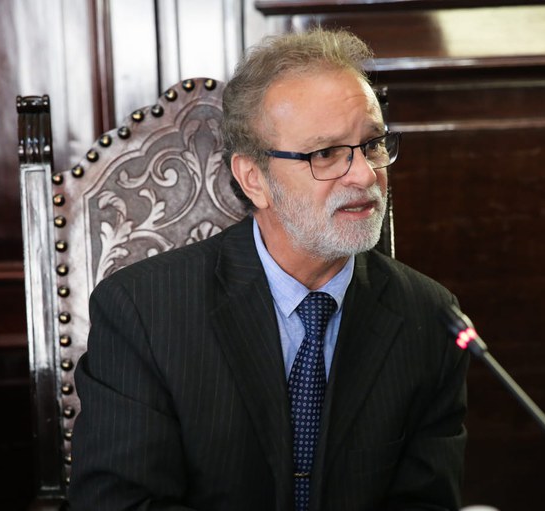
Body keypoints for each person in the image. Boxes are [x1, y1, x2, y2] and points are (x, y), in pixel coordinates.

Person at [68, 28, 469, 511]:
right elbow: (117, 503)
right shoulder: (142, 313)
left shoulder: (431, 319)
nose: (365, 175)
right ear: (253, 179)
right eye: (326, 154)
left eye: (372, 145)